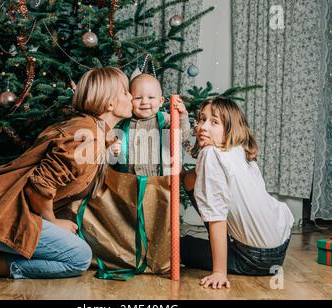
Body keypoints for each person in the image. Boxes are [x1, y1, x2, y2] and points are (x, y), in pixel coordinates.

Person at [0, 67, 133, 279]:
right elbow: (39, 187)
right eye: (126, 92)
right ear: (109, 103)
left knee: (73, 242)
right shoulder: (88, 137)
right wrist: (53, 222)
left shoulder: (89, 130)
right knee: (79, 257)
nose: (132, 96)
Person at [181, 97, 294, 289]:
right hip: (281, 242)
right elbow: (191, 176)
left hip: (254, 257)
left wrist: (219, 272)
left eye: (214, 122)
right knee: (190, 179)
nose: (202, 127)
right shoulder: (237, 147)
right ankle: (224, 246)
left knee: (177, 246)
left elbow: (216, 214)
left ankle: (221, 258)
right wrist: (184, 120)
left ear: (229, 129)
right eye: (201, 119)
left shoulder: (210, 155)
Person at [112, 73, 190, 176]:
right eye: (138, 98)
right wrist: (114, 149)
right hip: (129, 180)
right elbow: (115, 148)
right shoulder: (124, 122)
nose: (144, 101)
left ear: (160, 101)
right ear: (130, 100)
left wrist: (182, 117)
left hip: (157, 180)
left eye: (151, 97)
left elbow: (181, 136)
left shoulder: (165, 120)